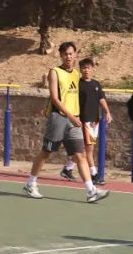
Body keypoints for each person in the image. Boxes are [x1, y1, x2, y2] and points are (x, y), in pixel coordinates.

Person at [22, 42, 109, 203]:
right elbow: (55, 99)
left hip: (74, 121)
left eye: (71, 54)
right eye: (65, 54)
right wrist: (71, 116)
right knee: (46, 152)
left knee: (80, 155)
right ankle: (30, 183)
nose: (68, 57)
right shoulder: (54, 72)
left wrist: (90, 113)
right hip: (59, 118)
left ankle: (91, 191)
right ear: (61, 56)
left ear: (75, 55)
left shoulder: (76, 74)